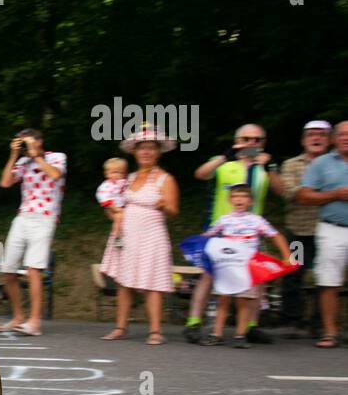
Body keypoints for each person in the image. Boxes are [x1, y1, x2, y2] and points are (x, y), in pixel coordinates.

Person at [183, 123, 279, 343]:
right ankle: (193, 322)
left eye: (257, 140)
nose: (252, 144)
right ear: (238, 141)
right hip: (221, 232)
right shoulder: (226, 163)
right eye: (247, 139)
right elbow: (201, 174)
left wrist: (271, 166)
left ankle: (251, 326)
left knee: (257, 279)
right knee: (208, 277)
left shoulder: (263, 167)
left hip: (250, 234)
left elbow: (280, 190)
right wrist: (225, 156)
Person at [97, 128, 180, 344]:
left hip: (152, 234)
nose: (146, 152)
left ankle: (155, 331)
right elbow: (113, 203)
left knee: (153, 282)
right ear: (135, 152)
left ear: (158, 152)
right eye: (142, 148)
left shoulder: (165, 179)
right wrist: (113, 214)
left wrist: (164, 205)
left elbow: (173, 210)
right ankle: (120, 327)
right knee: (124, 282)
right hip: (127, 234)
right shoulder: (127, 178)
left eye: (151, 148)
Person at [200, 184, 292, 347]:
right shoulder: (224, 219)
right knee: (223, 299)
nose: (239, 199)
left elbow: (275, 235)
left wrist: (287, 256)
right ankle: (216, 334)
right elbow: (208, 236)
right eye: (235, 196)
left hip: (246, 267)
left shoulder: (256, 220)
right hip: (226, 266)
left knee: (243, 301)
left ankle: (240, 335)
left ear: (250, 201)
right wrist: (196, 245)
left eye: (243, 196)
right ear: (229, 200)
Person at [0, 128, 65, 336]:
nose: (24, 145)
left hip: (45, 217)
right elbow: (5, 182)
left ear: (40, 141)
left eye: (27, 141)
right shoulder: (23, 162)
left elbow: (54, 175)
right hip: (23, 216)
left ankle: (35, 322)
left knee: (34, 269)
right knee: (7, 269)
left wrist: (36, 156)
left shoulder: (57, 157)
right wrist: (14, 155)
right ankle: (18, 317)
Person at [294, 119, 348, 349]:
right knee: (328, 281)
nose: (346, 138)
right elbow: (304, 196)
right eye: (343, 134)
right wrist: (335, 194)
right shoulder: (321, 163)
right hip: (331, 228)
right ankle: (330, 333)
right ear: (334, 138)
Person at [277, 120, 331, 335]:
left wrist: (310, 195)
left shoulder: (337, 164)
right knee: (292, 274)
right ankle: (291, 320)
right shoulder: (291, 165)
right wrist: (326, 195)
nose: (316, 138)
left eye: (321, 135)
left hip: (326, 231)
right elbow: (291, 193)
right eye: (311, 135)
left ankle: (318, 323)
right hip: (298, 230)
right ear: (303, 140)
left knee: (325, 276)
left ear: (329, 140)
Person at [96, 157, 129, 247]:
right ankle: (117, 237)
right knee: (119, 217)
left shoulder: (124, 182)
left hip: (123, 206)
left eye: (121, 172)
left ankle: (126, 235)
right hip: (112, 207)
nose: (118, 175)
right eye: (114, 172)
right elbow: (102, 196)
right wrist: (114, 207)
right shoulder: (106, 185)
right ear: (107, 174)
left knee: (127, 218)